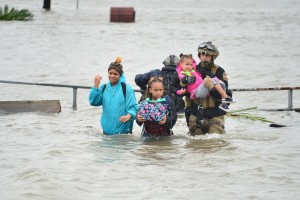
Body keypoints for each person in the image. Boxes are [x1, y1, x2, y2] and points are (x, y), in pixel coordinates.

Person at [186, 41, 233, 135]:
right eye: (202, 54)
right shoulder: (191, 70)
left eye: (208, 55)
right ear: (199, 55)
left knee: (215, 140)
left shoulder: (219, 71)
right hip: (196, 115)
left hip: (215, 115)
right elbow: (186, 94)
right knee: (196, 143)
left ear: (213, 57)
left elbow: (224, 94)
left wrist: (211, 87)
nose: (204, 57)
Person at [89, 57, 138, 135]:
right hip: (106, 133)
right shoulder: (103, 88)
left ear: (120, 75)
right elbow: (93, 102)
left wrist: (129, 115)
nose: (112, 76)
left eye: (115, 74)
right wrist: (96, 86)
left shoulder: (126, 88)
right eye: (110, 73)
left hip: (124, 133)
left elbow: (134, 107)